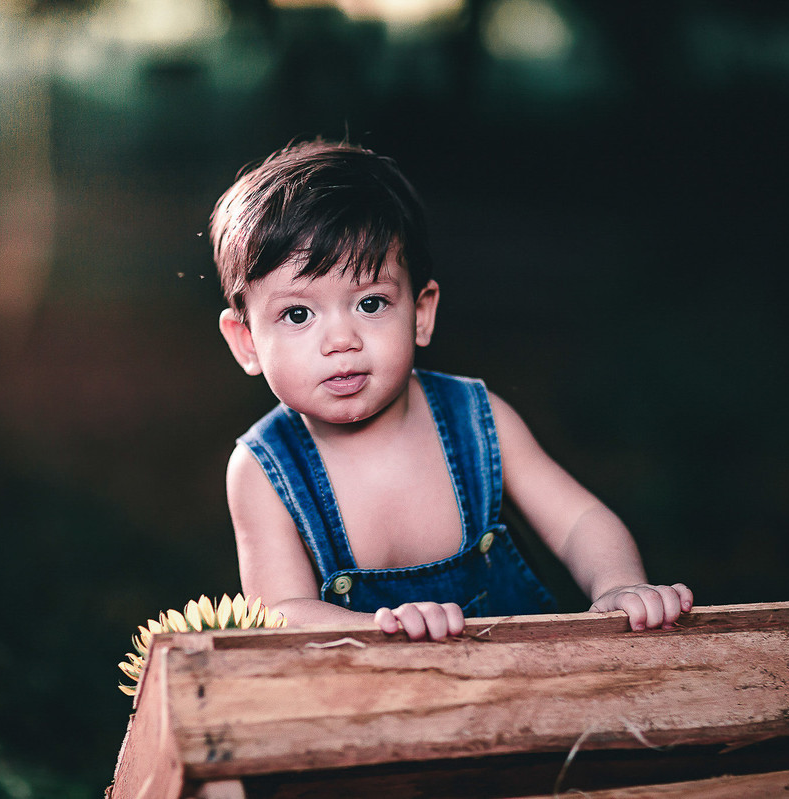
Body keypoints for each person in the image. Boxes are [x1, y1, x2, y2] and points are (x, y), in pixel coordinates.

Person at [211, 139, 692, 641]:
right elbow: (282, 612)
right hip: (365, 686)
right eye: (297, 314)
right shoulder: (264, 470)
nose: (341, 340)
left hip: (521, 678)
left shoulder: (476, 421)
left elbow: (579, 521)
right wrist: (383, 630)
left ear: (420, 313)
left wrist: (618, 584)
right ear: (247, 342)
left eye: (371, 304)